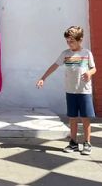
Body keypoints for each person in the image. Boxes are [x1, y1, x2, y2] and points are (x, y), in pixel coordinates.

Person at [36, 26, 96, 155]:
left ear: (80, 40)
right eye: (67, 41)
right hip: (71, 91)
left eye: (72, 41)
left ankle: (87, 143)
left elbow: (93, 68)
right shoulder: (65, 54)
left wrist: (90, 73)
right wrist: (43, 78)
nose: (69, 44)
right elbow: (55, 65)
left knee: (85, 118)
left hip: (84, 92)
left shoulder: (86, 53)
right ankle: (73, 143)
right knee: (72, 118)